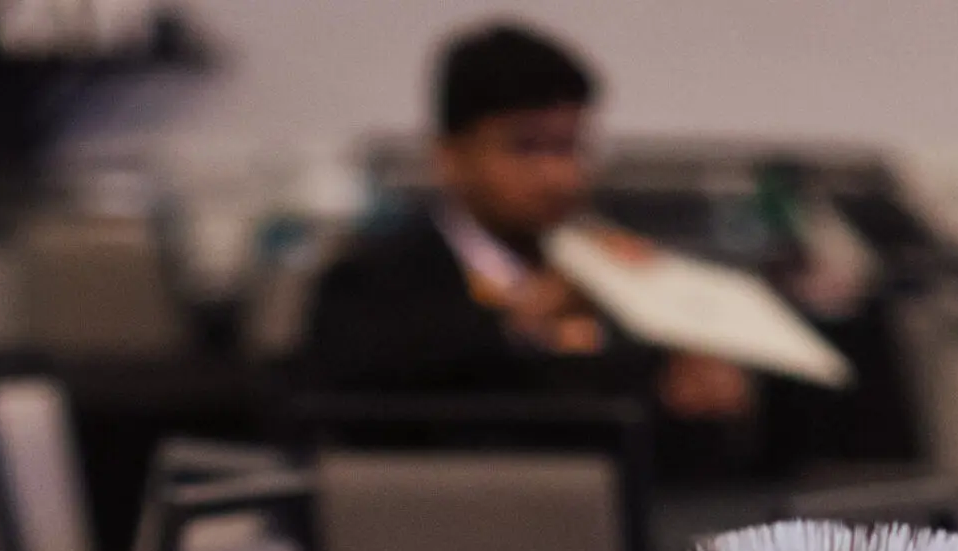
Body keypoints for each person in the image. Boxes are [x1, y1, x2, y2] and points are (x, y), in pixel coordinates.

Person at [301, 21, 752, 424]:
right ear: (450, 157)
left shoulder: (621, 277)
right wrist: (519, 322)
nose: (559, 176)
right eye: (527, 147)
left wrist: (691, 393)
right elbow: (351, 395)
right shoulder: (371, 282)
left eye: (571, 146)